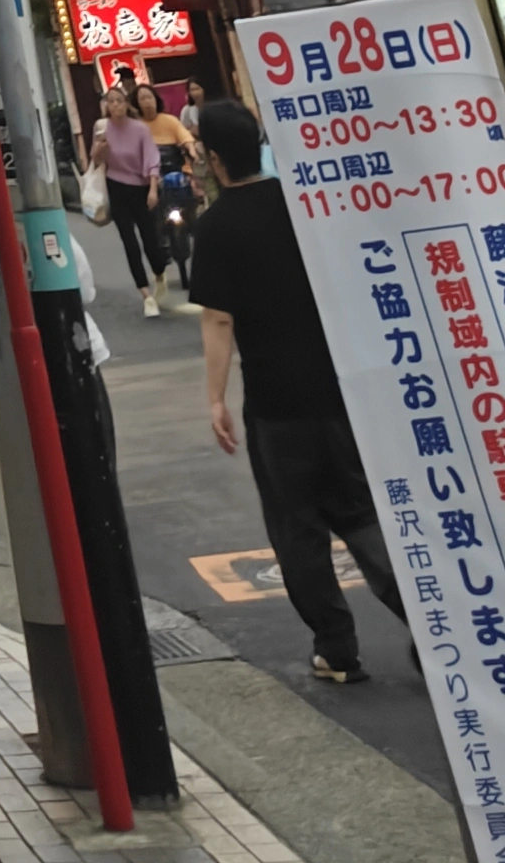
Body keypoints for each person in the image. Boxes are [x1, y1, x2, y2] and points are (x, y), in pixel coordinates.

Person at [192, 95, 412, 687]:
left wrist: (215, 398)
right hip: (338, 392)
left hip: (275, 401)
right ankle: (429, 627)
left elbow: (218, 319)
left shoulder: (214, 228)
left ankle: (338, 650)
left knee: (298, 530)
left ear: (214, 158)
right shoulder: (305, 206)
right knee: (361, 512)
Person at [97, 82, 175, 314]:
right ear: (106, 107)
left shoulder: (139, 128)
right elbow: (94, 160)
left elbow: (152, 158)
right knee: (129, 243)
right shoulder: (102, 128)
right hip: (116, 187)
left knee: (150, 240)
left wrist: (152, 189)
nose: (115, 105)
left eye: (119, 101)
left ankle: (159, 273)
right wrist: (100, 148)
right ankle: (145, 294)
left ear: (126, 104)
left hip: (141, 188)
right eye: (110, 102)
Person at [139, 80, 200, 299]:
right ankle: (161, 246)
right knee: (153, 215)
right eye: (142, 98)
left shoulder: (170, 121)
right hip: (152, 179)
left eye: (149, 97)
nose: (147, 102)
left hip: (177, 175)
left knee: (194, 209)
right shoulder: (138, 127)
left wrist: (191, 151)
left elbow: (185, 139)